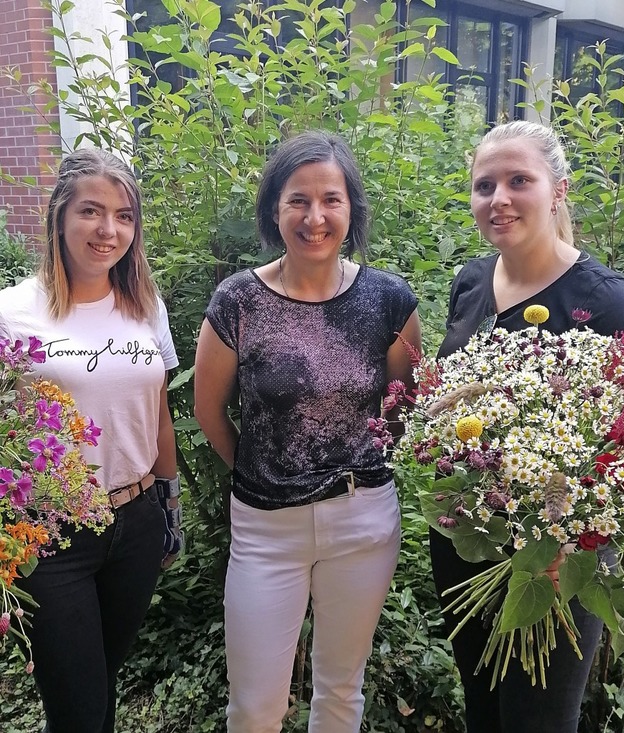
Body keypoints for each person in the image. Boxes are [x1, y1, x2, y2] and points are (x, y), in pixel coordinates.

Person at [194, 129, 421, 733]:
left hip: (363, 521)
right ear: (274, 208)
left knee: (342, 690)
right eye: (298, 199)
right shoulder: (238, 299)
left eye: (331, 199)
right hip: (266, 528)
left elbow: (403, 405)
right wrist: (256, 465)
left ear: (352, 209)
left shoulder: (389, 299)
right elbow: (208, 409)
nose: (314, 216)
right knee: (256, 706)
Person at [430, 120, 624, 733]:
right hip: (466, 544)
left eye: (519, 180)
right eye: (484, 185)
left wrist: (571, 537)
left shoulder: (604, 302)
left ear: (558, 191)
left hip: (559, 556)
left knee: (539, 720)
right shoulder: (469, 283)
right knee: (483, 708)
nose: (498, 199)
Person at [0, 148, 183, 733]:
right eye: (91, 211)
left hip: (135, 522)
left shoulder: (144, 306)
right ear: (59, 216)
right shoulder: (12, 312)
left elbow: (157, 411)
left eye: (124, 215)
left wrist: (169, 505)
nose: (108, 230)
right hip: (50, 534)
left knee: (101, 682)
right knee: (75, 704)